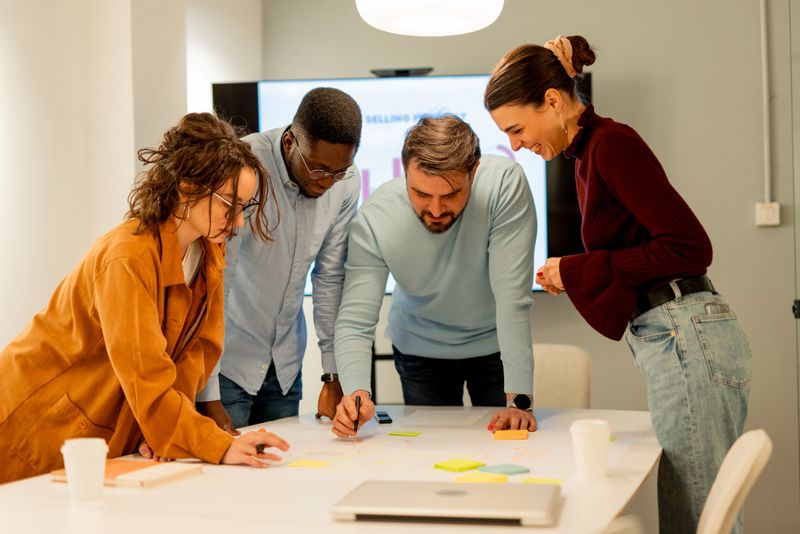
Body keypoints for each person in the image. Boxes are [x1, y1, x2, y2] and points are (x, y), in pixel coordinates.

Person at [484, 36, 752, 534]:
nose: (515, 145)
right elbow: (643, 247)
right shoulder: (589, 153)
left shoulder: (611, 145)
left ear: (552, 100)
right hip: (681, 333)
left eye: (517, 129)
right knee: (698, 509)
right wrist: (575, 269)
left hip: (685, 334)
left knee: (695, 514)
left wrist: (579, 270)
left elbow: (689, 247)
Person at [0, 112, 290, 484]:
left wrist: (167, 431)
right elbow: (146, 375)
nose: (236, 223)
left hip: (98, 429)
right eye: (228, 205)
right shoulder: (127, 257)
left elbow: (195, 355)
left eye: (244, 209)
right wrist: (214, 443)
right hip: (37, 415)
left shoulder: (209, 253)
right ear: (188, 187)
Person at [332, 115, 538, 439]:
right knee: (434, 452)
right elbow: (355, 320)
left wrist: (520, 401)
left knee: (510, 446)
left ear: (474, 171)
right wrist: (356, 392)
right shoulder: (375, 219)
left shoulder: (504, 185)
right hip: (419, 352)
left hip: (496, 346)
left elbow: (512, 297)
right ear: (404, 173)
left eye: (451, 194)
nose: (437, 209)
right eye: (421, 194)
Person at [196, 88, 362, 432]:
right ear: (289, 142)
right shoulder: (245, 166)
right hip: (228, 364)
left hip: (285, 366)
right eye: (318, 169)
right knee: (227, 479)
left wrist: (333, 375)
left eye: (339, 171)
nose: (328, 182)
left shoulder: (346, 183)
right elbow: (218, 278)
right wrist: (207, 394)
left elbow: (329, 278)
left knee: (283, 475)